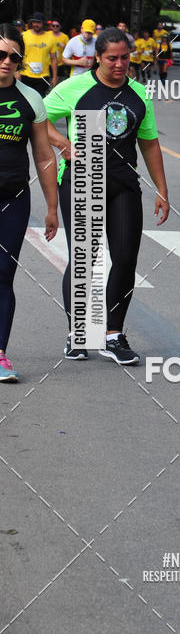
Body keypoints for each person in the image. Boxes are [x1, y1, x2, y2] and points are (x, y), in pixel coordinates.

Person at [45, 27, 170, 365]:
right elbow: (38, 118)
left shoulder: (138, 93)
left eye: (125, 57)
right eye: (112, 58)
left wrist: (162, 189)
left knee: (126, 258)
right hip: (81, 182)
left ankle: (113, 335)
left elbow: (149, 143)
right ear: (97, 57)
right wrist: (63, 143)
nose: (119, 64)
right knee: (84, 259)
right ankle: (78, 333)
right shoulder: (75, 88)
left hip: (123, 185)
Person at [0, 24, 58, 381]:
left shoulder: (31, 98)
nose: (6, 62)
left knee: (3, 274)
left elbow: (44, 155)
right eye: (0, 54)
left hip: (13, 199)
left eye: (13, 57)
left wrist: (52, 207)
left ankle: (0, 354)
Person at [20, 12, 58, 97]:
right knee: (25, 99)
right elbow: (18, 54)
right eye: (34, 22)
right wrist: (16, 72)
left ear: (43, 23)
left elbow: (54, 59)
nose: (36, 24)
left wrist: (55, 77)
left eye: (38, 22)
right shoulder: (23, 36)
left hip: (43, 76)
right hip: (25, 74)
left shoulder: (51, 38)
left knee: (39, 99)